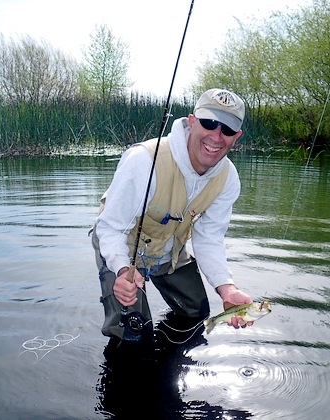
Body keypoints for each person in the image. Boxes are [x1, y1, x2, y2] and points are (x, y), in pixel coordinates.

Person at [91, 88, 253, 345]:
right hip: (122, 249)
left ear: (237, 137)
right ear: (192, 121)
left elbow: (209, 238)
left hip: (170, 253)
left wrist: (227, 289)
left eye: (227, 129)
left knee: (197, 313)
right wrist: (122, 270)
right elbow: (111, 228)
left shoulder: (228, 178)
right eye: (209, 123)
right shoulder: (144, 160)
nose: (216, 136)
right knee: (132, 332)